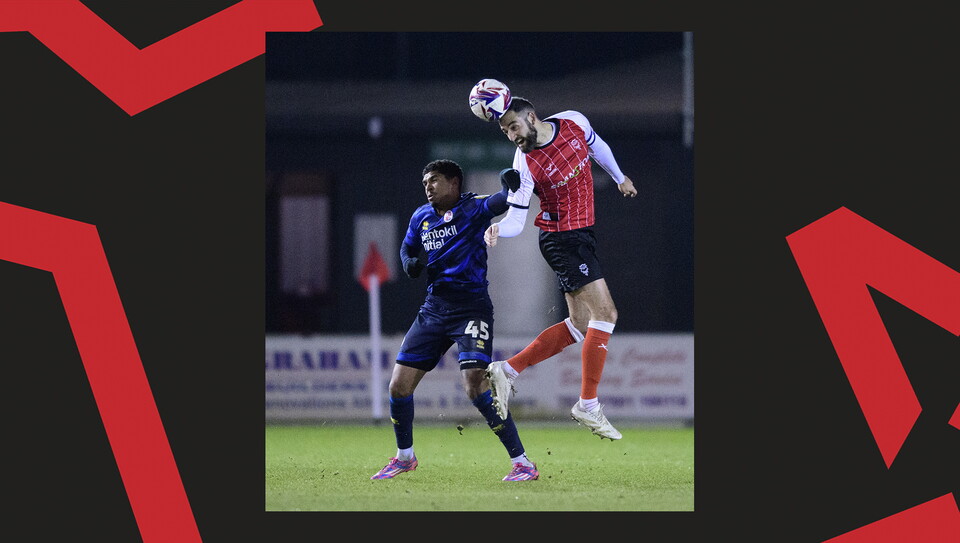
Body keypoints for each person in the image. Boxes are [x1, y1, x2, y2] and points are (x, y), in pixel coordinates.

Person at [371, 159, 539, 482]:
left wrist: (510, 185)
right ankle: (405, 457)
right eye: (424, 184)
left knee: (475, 386)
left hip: (471, 309)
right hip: (434, 309)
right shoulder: (420, 217)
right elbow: (407, 250)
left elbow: (502, 199)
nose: (428, 188)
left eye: (434, 181)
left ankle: (523, 463)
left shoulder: (473, 208)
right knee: (398, 385)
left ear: (453, 183)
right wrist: (410, 264)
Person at [483, 96, 638, 441]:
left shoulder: (573, 122)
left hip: (581, 235)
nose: (511, 135)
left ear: (532, 118)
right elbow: (517, 218)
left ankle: (508, 369)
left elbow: (598, 147)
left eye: (513, 126)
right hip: (561, 240)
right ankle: (588, 403)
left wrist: (618, 176)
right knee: (606, 314)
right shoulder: (523, 162)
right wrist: (497, 227)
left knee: (582, 325)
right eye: (505, 131)